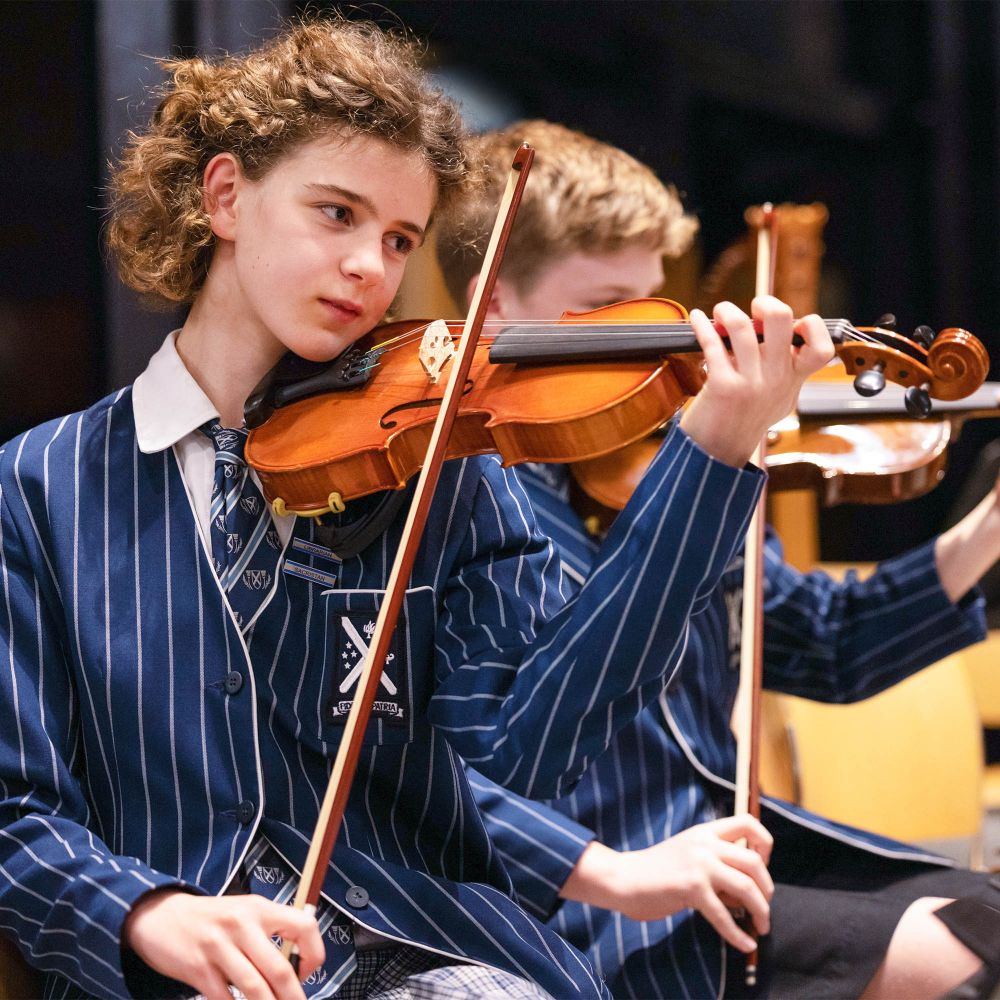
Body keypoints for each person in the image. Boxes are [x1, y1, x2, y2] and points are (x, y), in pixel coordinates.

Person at [0, 24, 833, 1000]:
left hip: (418, 952)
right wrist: (148, 911)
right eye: (336, 212)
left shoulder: (440, 460)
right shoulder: (42, 484)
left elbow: (531, 747)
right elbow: (17, 807)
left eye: (398, 238)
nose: (369, 265)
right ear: (225, 195)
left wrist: (709, 455)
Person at [435, 119, 1000, 1000]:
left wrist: (986, 532)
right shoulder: (462, 496)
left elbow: (827, 645)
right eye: (599, 314)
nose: (646, 355)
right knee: (953, 961)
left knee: (986, 925)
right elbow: (508, 761)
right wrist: (706, 465)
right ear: (494, 304)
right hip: (592, 906)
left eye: (652, 312)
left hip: (731, 860)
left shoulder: (668, 463)